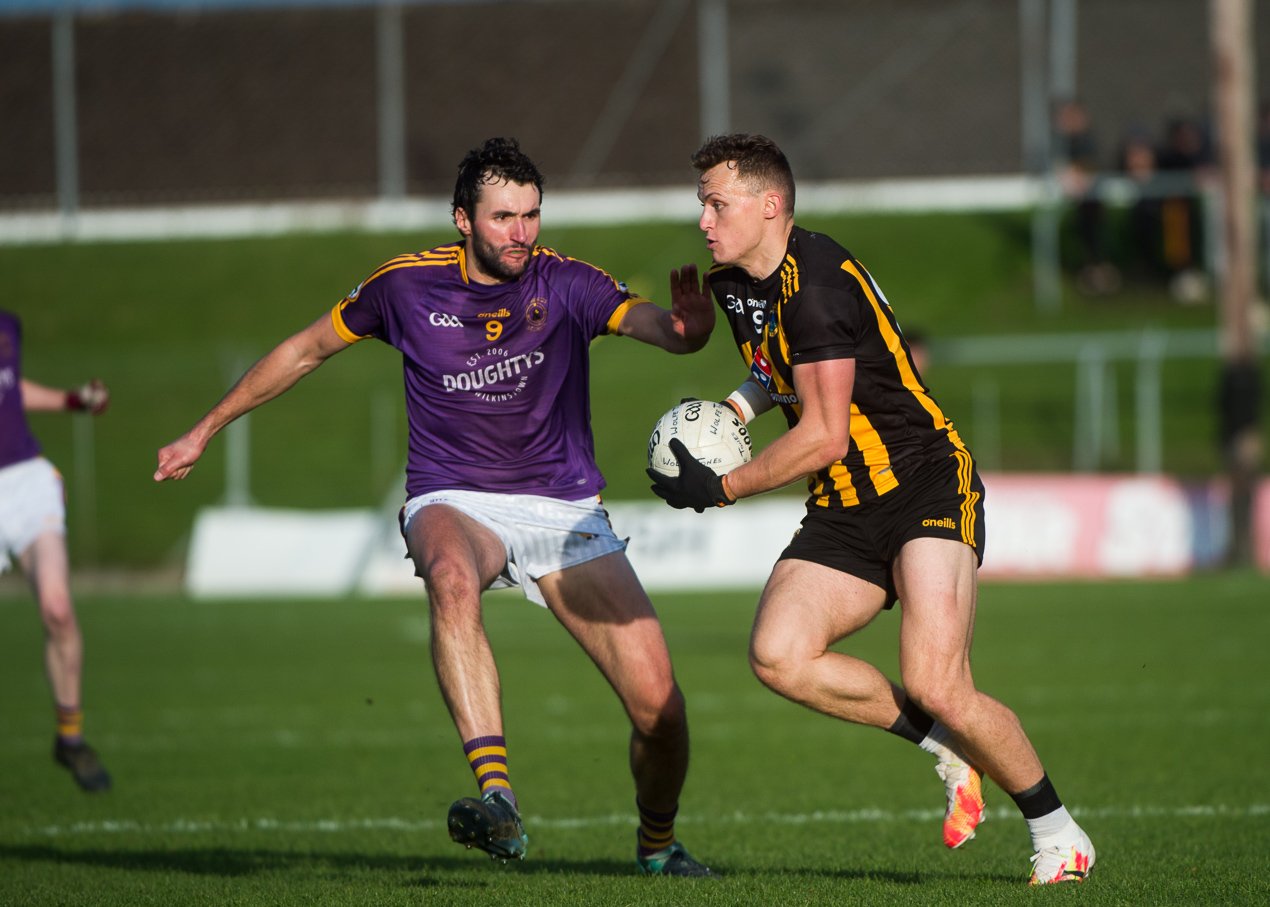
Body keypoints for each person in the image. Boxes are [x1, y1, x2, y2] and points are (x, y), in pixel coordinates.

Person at [154, 137, 715, 876]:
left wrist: (688, 332)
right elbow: (304, 350)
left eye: (532, 215)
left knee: (662, 713)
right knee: (451, 577)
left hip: (563, 508)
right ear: (462, 220)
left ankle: (656, 845)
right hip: (453, 494)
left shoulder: (567, 282)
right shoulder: (404, 287)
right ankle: (500, 802)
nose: (521, 232)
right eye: (503, 216)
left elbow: (655, 327)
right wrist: (204, 427)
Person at [648, 133, 1095, 885]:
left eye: (716, 203)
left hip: (924, 481)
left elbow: (822, 435)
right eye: (701, 202)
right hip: (846, 506)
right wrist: (725, 415)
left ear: (770, 206)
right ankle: (945, 746)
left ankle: (1059, 829)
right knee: (778, 654)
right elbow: (774, 372)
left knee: (938, 680)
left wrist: (720, 485)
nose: (703, 219)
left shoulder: (818, 284)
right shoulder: (736, 283)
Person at [0, 309, 113, 793]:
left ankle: (70, 738)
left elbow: (11, 391)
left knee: (58, 608)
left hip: (26, 477)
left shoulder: (7, 325)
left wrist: (74, 400)